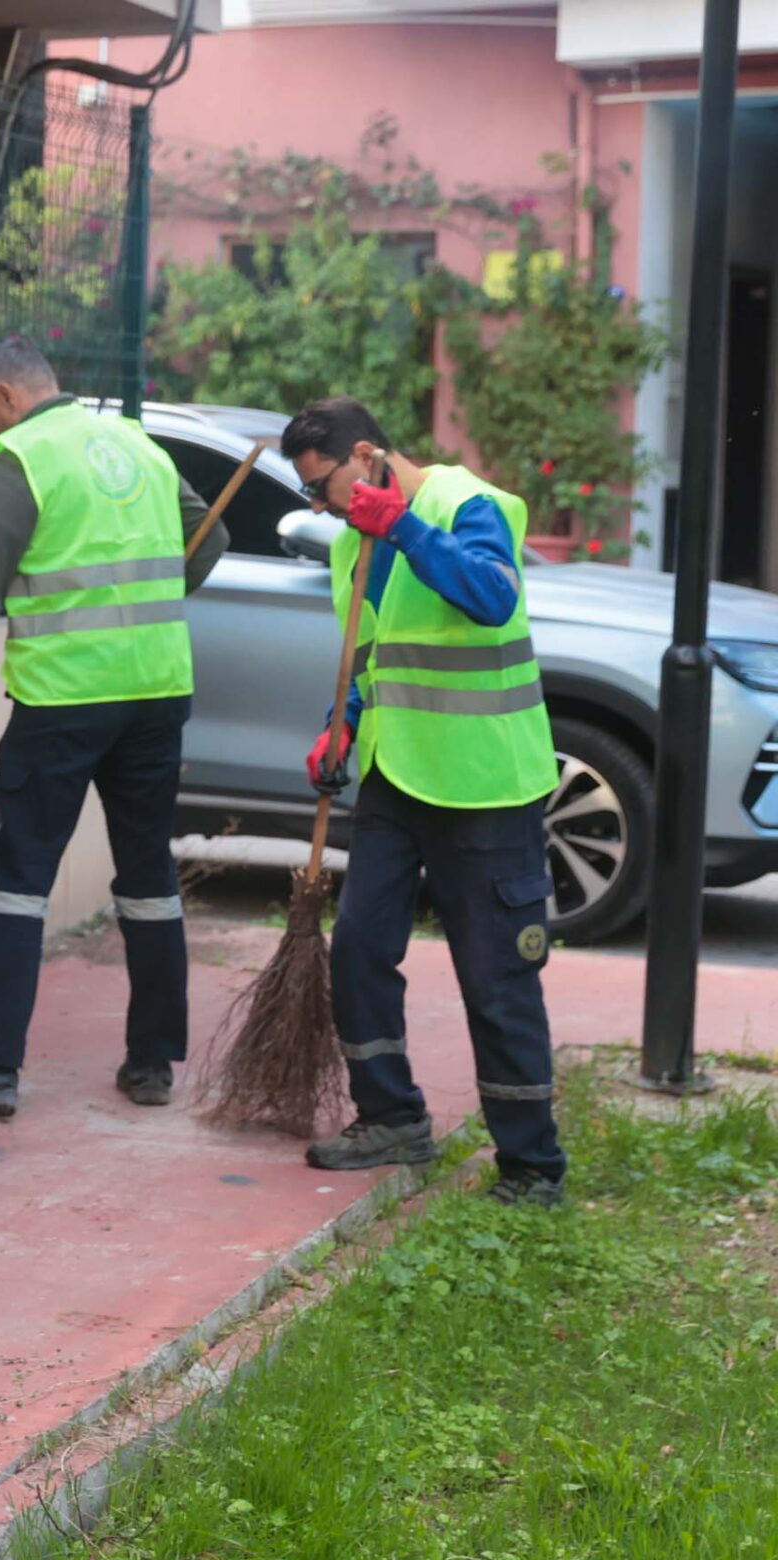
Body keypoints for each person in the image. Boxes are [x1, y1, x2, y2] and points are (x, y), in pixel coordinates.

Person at [0, 335, 229, 1118]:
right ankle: (153, 1059)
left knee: (17, 884)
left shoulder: (23, 457)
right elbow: (211, 539)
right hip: (158, 691)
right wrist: (149, 600)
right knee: (148, 878)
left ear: (4, 398)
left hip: (64, 700)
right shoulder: (137, 443)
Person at [281, 396, 566, 1206]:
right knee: (360, 950)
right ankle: (392, 1116)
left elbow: (490, 596)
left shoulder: (468, 505)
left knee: (496, 976)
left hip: (485, 784)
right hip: (398, 778)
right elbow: (371, 657)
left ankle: (532, 1168)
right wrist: (341, 725)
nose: (320, 507)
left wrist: (401, 524)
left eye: (323, 487)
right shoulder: (351, 544)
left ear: (367, 456)